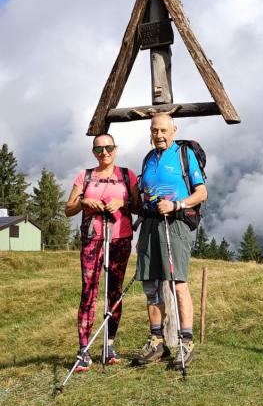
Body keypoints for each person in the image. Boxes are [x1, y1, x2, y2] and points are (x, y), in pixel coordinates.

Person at [134, 113, 207, 369]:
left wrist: (176, 204)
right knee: (151, 286)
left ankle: (186, 342)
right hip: (150, 223)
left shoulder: (184, 155)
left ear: (174, 130)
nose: (159, 135)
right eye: (155, 131)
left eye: (164, 130)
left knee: (178, 284)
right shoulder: (149, 158)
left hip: (176, 224)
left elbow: (202, 193)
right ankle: (157, 341)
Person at [65, 134, 139, 372]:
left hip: (120, 239)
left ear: (115, 149)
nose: (104, 152)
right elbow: (68, 209)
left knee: (114, 292)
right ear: (93, 152)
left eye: (108, 147)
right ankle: (84, 350)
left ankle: (108, 346)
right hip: (91, 239)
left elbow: (139, 206)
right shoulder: (85, 176)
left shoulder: (127, 176)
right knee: (89, 292)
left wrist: (122, 203)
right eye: (99, 149)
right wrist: (84, 202)